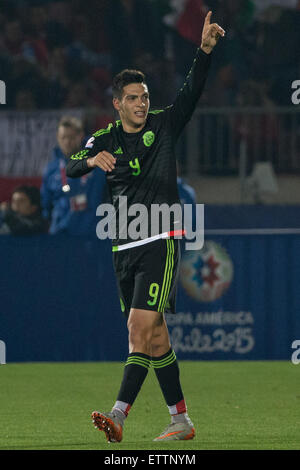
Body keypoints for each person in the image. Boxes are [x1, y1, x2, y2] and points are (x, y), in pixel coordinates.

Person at [67, 11, 224, 442]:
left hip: (160, 237)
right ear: (117, 102)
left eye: (145, 96)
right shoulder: (105, 138)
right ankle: (181, 420)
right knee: (155, 339)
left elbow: (191, 92)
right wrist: (88, 161)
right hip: (123, 246)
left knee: (139, 328)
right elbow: (71, 163)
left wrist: (204, 51)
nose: (142, 103)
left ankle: (118, 414)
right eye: (133, 97)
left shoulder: (164, 125)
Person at [41, 116, 106, 235]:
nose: (67, 142)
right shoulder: (51, 169)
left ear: (80, 136)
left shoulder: (97, 163)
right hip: (60, 234)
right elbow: (46, 205)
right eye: (63, 138)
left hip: (93, 232)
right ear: (57, 138)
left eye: (71, 137)